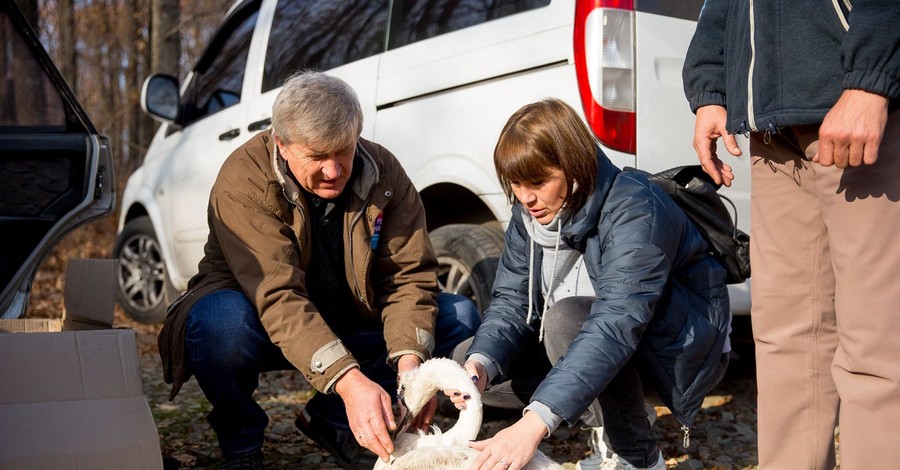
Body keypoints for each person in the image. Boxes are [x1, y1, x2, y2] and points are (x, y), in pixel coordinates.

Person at [156, 71, 481, 470]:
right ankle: (240, 446)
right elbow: (276, 296)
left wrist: (413, 376)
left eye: (343, 151)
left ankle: (331, 420)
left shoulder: (384, 174)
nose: (333, 170)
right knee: (220, 324)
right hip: (258, 316)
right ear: (282, 144)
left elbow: (409, 277)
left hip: (350, 314)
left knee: (458, 316)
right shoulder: (242, 181)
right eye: (316, 156)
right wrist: (349, 381)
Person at [445, 98, 731, 470]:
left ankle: (637, 457)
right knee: (464, 360)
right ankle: (606, 420)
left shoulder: (635, 208)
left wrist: (532, 425)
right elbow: (511, 302)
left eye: (538, 181)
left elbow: (616, 324)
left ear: (574, 164)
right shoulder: (527, 215)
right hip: (596, 342)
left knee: (568, 320)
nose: (526, 197)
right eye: (516, 183)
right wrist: (480, 364)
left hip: (677, 350)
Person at [683, 1, 900, 468]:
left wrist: (871, 79)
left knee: (877, 347)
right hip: (772, 131)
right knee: (785, 341)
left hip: (855, 111)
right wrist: (710, 83)